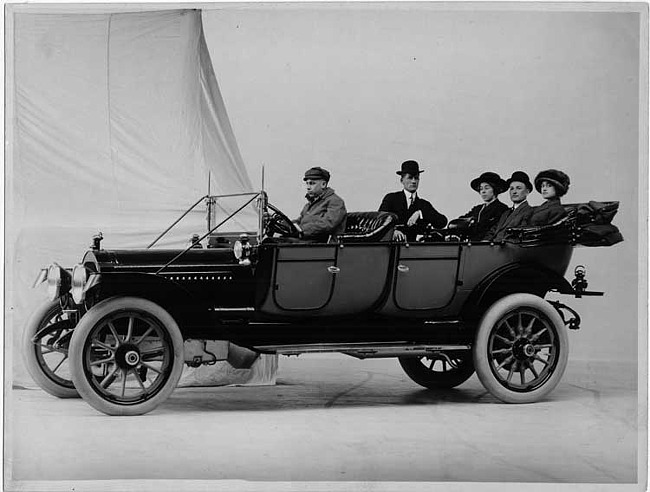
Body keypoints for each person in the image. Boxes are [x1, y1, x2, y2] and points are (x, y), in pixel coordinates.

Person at [379, 160, 447, 242]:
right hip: (394, 248)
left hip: (417, 251)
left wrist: (420, 213)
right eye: (410, 177)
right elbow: (379, 221)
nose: (414, 181)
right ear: (402, 180)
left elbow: (442, 222)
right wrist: (392, 232)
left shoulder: (424, 205)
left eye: (416, 178)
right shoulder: (391, 199)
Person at [294, 166, 347, 242]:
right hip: (308, 241)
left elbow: (327, 224)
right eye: (307, 183)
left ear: (323, 184)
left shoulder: (335, 202)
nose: (308, 187)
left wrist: (302, 229)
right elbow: (300, 220)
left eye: (312, 183)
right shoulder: (310, 204)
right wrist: (288, 225)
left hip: (323, 244)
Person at [456, 171, 509, 240]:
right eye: (481, 189)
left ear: (495, 189)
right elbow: (461, 220)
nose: (483, 191)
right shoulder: (477, 209)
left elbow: (498, 230)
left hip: (489, 246)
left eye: (487, 188)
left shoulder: (502, 209)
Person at [485, 171, 534, 241]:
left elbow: (520, 235)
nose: (514, 192)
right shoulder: (506, 213)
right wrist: (485, 241)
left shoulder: (529, 212)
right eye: (511, 188)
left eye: (518, 188)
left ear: (527, 191)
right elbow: (493, 231)